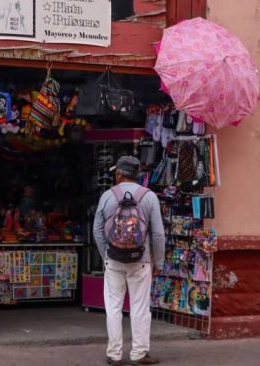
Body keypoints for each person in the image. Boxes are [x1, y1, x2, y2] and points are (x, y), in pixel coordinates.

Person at [94, 155, 165, 365]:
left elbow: (97, 231)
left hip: (113, 260)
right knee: (140, 307)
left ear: (118, 174)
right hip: (140, 260)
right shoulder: (149, 196)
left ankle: (114, 354)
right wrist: (158, 262)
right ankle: (139, 353)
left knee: (113, 307)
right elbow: (158, 234)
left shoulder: (107, 196)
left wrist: (105, 254)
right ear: (137, 175)